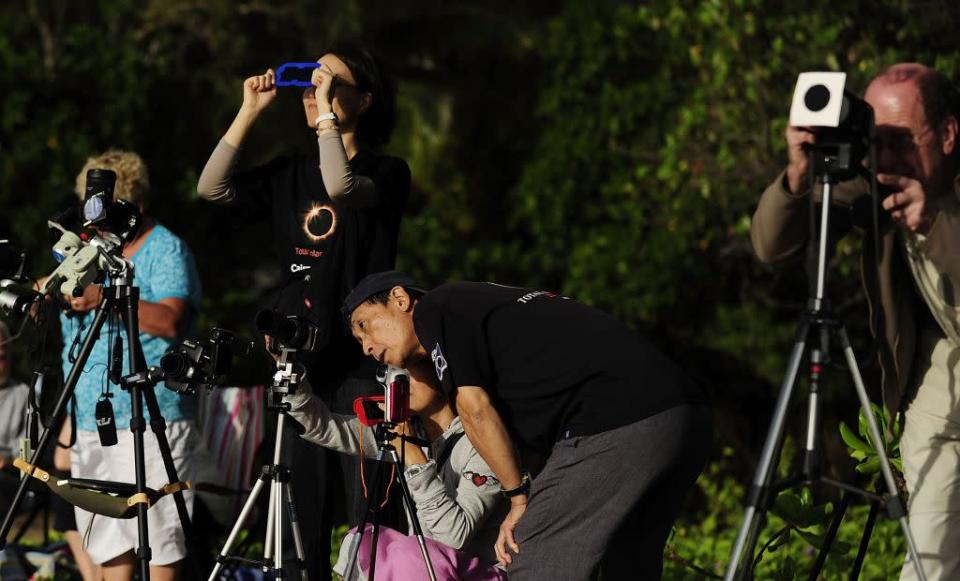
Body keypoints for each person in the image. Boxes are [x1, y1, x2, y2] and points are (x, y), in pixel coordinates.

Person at [197, 41, 410, 580]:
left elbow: (341, 185)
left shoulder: (387, 171)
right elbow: (211, 188)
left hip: (362, 365)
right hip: (302, 364)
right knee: (306, 517)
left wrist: (327, 125)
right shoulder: (290, 172)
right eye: (309, 84)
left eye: (330, 83)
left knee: (371, 518)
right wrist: (248, 110)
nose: (314, 94)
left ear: (363, 100)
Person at [342, 271, 712, 580]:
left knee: (532, 556)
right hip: (684, 413)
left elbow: (475, 409)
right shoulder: (480, 305)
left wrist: (518, 498)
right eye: (358, 341)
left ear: (400, 299)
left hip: (616, 418)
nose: (366, 347)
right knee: (624, 564)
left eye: (365, 326)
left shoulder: (438, 309)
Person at [752, 63, 960, 580]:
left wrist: (936, 221)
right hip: (948, 373)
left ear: (950, 134)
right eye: (877, 141)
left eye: (902, 141)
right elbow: (770, 245)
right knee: (930, 560)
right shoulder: (877, 177)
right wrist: (799, 176)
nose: (887, 159)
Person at [60, 150, 202, 581]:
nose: (98, 219)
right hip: (90, 418)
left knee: (160, 541)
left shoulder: (166, 248)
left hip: (151, 413)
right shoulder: (85, 250)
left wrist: (105, 295)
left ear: (134, 206)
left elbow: (171, 319)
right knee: (106, 544)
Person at [284, 362, 507, 579]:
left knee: (407, 556)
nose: (399, 379)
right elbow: (325, 428)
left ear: (440, 371)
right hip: (423, 567)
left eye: (409, 369)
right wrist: (290, 371)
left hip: (479, 572)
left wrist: (415, 459)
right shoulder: (407, 432)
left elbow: (453, 538)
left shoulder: (481, 441)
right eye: (394, 372)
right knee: (362, 543)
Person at [0, 321, 30, 514]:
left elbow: (31, 448)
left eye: (1, 356)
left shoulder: (22, 394)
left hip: (8, 477)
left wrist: (9, 459)